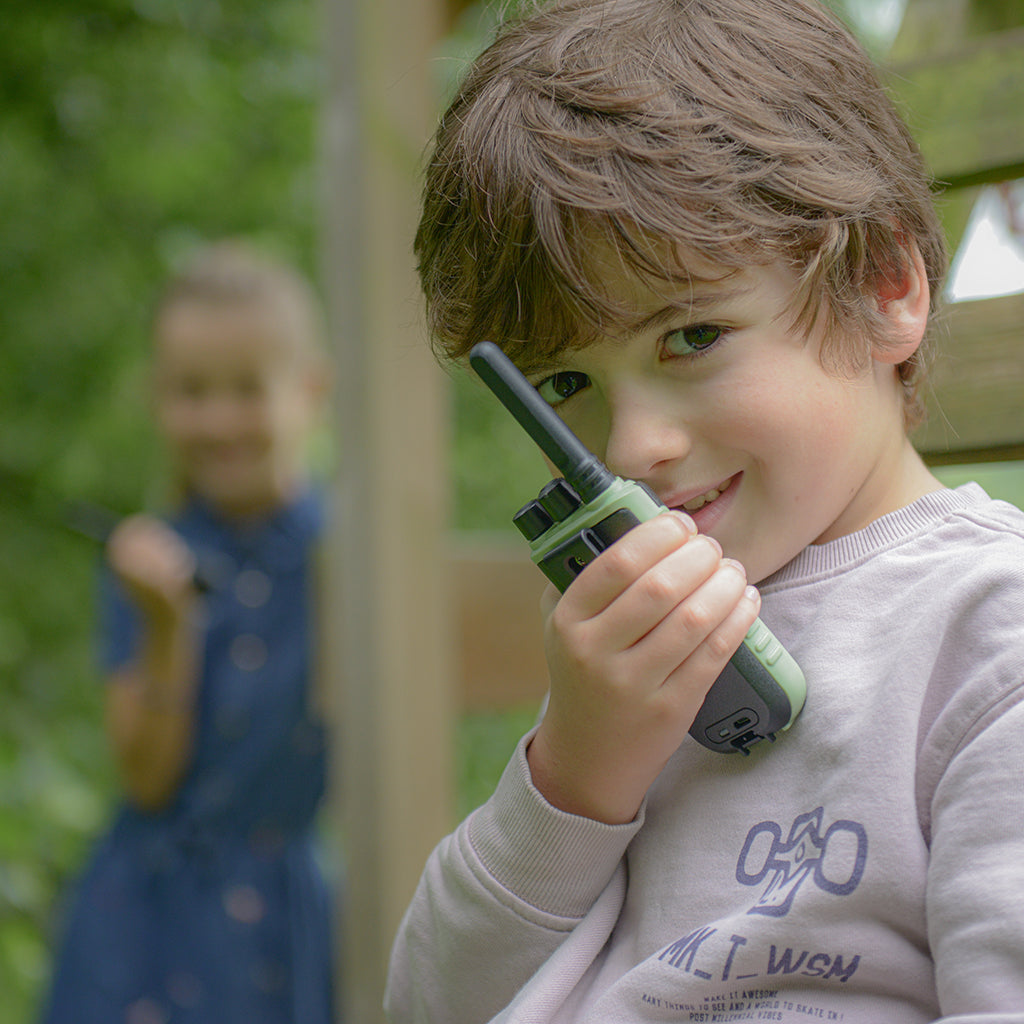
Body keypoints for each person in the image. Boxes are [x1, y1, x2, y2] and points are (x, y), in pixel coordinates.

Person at [384, 0, 1024, 1021]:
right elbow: (429, 1003)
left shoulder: (988, 633)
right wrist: (574, 778)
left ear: (884, 284)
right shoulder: (630, 660)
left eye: (689, 337)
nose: (632, 446)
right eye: (565, 385)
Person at [41, 241, 336, 1024]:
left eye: (246, 389)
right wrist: (169, 625)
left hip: (280, 921)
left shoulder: (346, 557)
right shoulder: (145, 559)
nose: (217, 419)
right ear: (158, 397)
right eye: (191, 391)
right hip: (147, 922)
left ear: (310, 390)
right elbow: (145, 779)